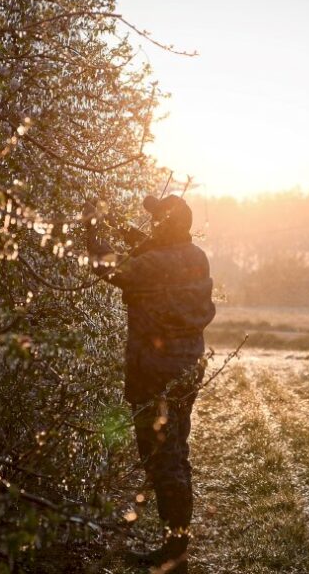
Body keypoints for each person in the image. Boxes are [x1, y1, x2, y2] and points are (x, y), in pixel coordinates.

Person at [85, 194, 215, 573]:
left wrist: (92, 229)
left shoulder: (156, 264)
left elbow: (110, 266)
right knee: (176, 451)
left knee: (162, 459)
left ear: (165, 226)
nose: (152, 226)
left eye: (157, 220)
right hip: (186, 370)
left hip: (155, 373)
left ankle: (174, 554)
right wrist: (124, 228)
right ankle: (176, 545)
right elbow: (154, 250)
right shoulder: (194, 256)